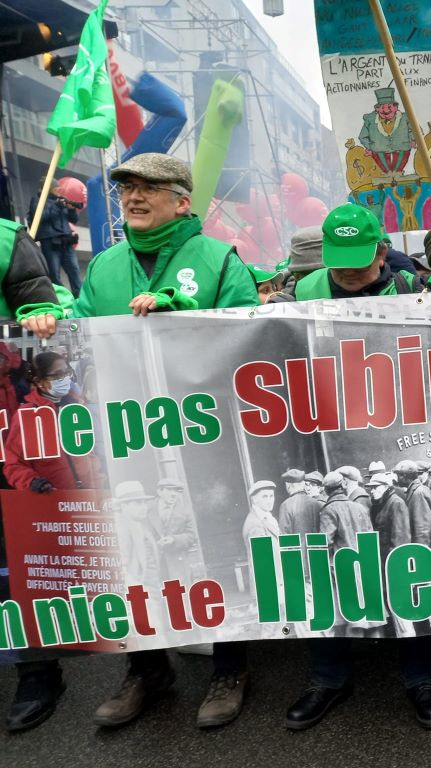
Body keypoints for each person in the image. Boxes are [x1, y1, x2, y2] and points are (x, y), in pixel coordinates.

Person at [84, 152, 259, 729]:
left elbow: (247, 341)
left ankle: (230, 665)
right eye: (126, 188)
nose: (133, 197)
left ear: (182, 201)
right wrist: (43, 314)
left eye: (148, 188)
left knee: (209, 543)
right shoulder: (103, 266)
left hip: (202, 437)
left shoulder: (218, 260)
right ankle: (146, 668)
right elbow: (79, 334)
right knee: (134, 553)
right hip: (128, 436)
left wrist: (183, 314)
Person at [283, 204, 431, 731]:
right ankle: (328, 678)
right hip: (324, 427)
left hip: (399, 425)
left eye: (361, 259)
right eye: (340, 261)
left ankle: (420, 677)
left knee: (406, 571)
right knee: (328, 578)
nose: (350, 271)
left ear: (382, 250)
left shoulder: (413, 290)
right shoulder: (301, 294)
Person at [3, 352, 101, 732]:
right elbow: (13, 462)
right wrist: (33, 484)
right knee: (39, 577)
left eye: (66, 374)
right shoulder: (26, 417)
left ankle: (139, 661)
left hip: (88, 502)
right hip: (50, 505)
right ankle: (40, 669)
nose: (63, 380)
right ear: (38, 380)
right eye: (54, 376)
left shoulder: (81, 408)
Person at [287, 205, 422, 301]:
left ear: (381, 254)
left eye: (359, 264)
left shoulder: (411, 290)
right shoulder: (303, 291)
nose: (349, 271)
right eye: (339, 264)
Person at [29, 178, 82, 295]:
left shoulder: (61, 200)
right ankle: (62, 300)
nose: (60, 190)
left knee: (75, 271)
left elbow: (73, 220)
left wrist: (71, 209)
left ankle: (79, 298)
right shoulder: (37, 200)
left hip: (67, 242)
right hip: (50, 244)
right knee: (54, 275)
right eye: (56, 188)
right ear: (49, 189)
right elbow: (41, 217)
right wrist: (57, 206)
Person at [150, 478, 198, 586]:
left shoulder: (185, 511)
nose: (174, 494)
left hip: (178, 564)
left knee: (180, 597)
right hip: (154, 564)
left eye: (177, 491)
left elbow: (192, 536)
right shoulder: (147, 509)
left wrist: (174, 539)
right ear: (160, 491)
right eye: (170, 490)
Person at [277, 468, 321, 537]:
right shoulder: (316, 503)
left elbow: (285, 536)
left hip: (298, 547)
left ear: (288, 485)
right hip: (317, 547)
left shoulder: (286, 505)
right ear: (303, 484)